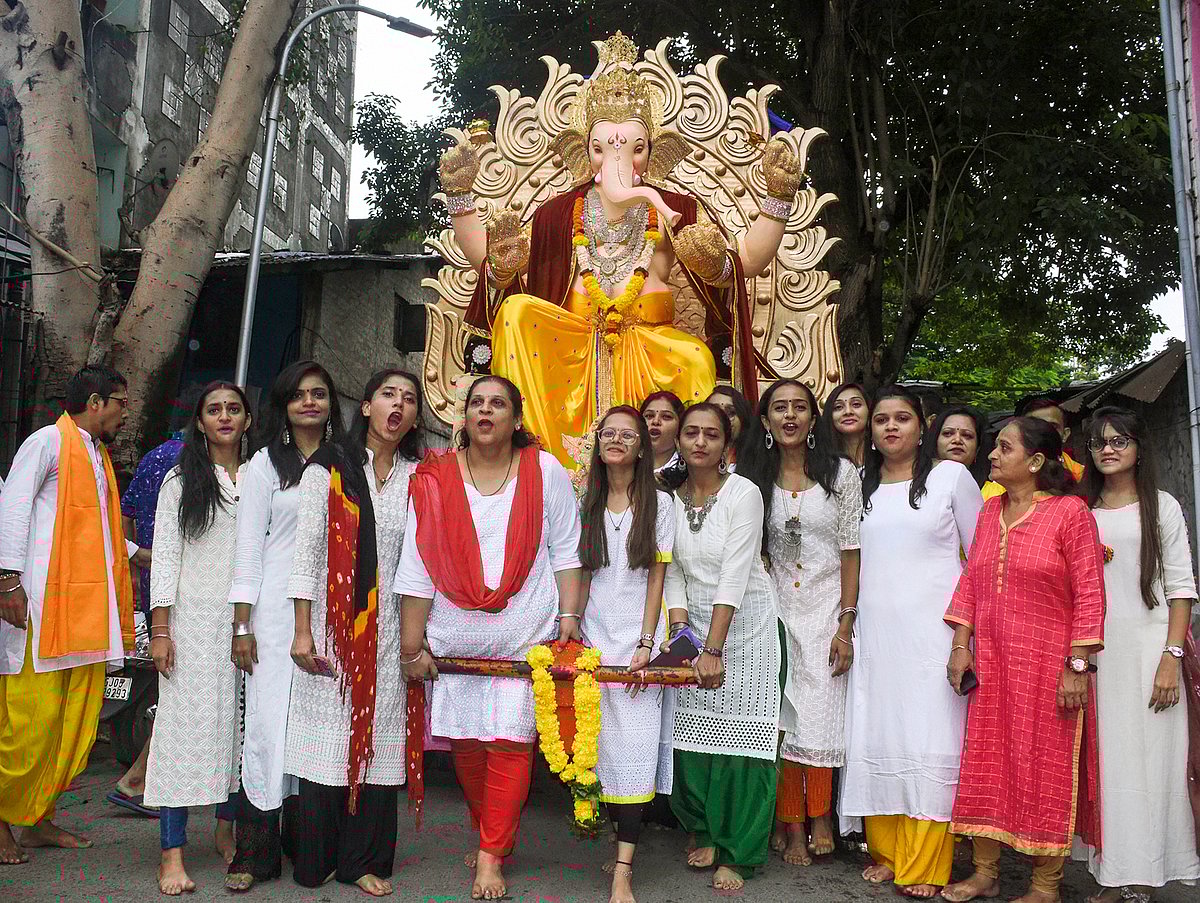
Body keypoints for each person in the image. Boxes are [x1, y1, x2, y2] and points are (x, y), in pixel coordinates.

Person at [439, 33, 798, 463]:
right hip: (572, 341)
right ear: (582, 151)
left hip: (651, 341)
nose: (618, 159)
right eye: (602, 147)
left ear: (654, 153)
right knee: (517, 313)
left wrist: (771, 205)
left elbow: (747, 263)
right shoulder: (559, 212)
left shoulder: (676, 208)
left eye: (635, 148)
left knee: (697, 359)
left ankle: (677, 471)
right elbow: (488, 261)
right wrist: (464, 203)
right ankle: (546, 462)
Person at [397, 375, 583, 901]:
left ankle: (489, 856)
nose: (485, 412)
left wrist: (569, 616)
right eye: (476, 403)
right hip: (455, 637)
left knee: (509, 742)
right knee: (467, 749)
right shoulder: (434, 478)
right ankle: (494, 834)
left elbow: (567, 550)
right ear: (464, 417)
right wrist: (413, 647)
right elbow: (416, 568)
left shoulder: (545, 471)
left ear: (516, 419)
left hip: (522, 633)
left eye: (497, 404)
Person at [943, 416, 1106, 903]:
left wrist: (1077, 666)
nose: (992, 455)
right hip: (991, 665)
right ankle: (985, 873)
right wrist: (960, 646)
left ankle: (1045, 886)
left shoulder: (1070, 513)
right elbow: (971, 582)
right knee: (986, 764)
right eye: (994, 447)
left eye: (1004, 448)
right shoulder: (990, 511)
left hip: (1047, 667)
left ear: (1035, 462)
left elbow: (1090, 594)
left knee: (1045, 768)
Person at [283, 369, 424, 896]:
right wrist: (303, 632)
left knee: (380, 741)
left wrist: (419, 636)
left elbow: (426, 561)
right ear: (365, 406)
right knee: (326, 742)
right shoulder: (330, 467)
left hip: (392, 630)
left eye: (409, 399)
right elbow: (307, 555)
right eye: (389, 394)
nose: (399, 405)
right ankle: (315, 854)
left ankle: (363, 860)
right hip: (334, 627)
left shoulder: (419, 476)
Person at [839, 385, 982, 899]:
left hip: (933, 636)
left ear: (923, 425)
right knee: (880, 732)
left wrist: (965, 635)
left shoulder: (950, 478)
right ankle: (889, 853)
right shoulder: (860, 486)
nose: (891, 427)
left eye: (902, 418)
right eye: (881, 420)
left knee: (928, 740)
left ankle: (925, 862)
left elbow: (981, 561)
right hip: (876, 636)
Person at [0, 365, 137, 864]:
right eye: (121, 402)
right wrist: (8, 581)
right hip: (39, 612)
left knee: (71, 727)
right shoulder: (46, 442)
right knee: (30, 726)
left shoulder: (95, 455)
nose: (126, 412)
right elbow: (12, 509)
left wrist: (135, 552)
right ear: (97, 401)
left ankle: (36, 821)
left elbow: (95, 534)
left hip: (84, 617)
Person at [227, 360, 344, 891]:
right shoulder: (263, 466)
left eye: (319, 394)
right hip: (275, 613)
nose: (310, 403)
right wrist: (242, 625)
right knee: (269, 727)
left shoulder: (348, 461)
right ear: (284, 405)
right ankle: (255, 854)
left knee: (316, 729)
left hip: (334, 611)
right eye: (299, 395)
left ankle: (309, 845)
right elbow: (249, 548)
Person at [1078, 407, 1200, 902]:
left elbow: (1181, 588)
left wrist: (1171, 656)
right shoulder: (1078, 510)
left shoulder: (1161, 506)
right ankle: (1112, 873)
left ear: (1139, 448)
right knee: (1107, 765)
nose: (1109, 449)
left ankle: (1144, 874)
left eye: (1120, 440)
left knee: (1152, 767)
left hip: (1151, 650)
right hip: (1097, 653)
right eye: (1100, 442)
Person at [740, 379, 861, 866]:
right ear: (766, 421)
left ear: (814, 419)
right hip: (774, 611)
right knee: (781, 717)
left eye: (799, 408)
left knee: (821, 716)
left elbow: (852, 552)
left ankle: (821, 818)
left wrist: (846, 624)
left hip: (828, 607)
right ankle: (791, 825)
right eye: (779, 408)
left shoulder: (843, 474)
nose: (789, 416)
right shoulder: (752, 475)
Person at [665, 403, 780, 891]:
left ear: (725, 442)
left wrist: (714, 648)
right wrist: (680, 630)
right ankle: (706, 829)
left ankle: (740, 849)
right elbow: (667, 566)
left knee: (742, 747)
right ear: (679, 440)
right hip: (693, 635)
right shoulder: (669, 496)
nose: (699, 442)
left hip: (747, 631)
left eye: (710, 434)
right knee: (692, 743)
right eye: (690, 432)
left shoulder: (744, 493)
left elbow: (735, 571)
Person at [142, 382, 251, 894]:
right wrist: (160, 631)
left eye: (233, 409)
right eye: (214, 410)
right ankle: (172, 853)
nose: (225, 417)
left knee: (238, 735)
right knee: (180, 739)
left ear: (248, 420)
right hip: (190, 627)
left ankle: (226, 832)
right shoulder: (180, 482)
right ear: (201, 423)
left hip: (247, 630)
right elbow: (164, 559)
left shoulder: (262, 477)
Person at [577, 405, 674, 903]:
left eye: (627, 435)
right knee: (598, 753)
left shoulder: (660, 504)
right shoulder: (587, 500)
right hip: (592, 640)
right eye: (608, 433)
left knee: (634, 753)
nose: (617, 441)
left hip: (639, 643)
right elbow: (579, 575)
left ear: (642, 447)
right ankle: (615, 841)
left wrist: (645, 643)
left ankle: (623, 870)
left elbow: (657, 578)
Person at [109, 433, 184, 816]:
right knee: (181, 688)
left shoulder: (154, 455)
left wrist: (135, 564)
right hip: (186, 585)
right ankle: (138, 778)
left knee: (171, 683)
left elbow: (125, 516)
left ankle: (141, 778)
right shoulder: (195, 462)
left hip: (152, 578)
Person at [982, 398, 1082, 499]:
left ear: (1065, 434)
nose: (1042, 431)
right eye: (1033, 425)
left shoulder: (1083, 478)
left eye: (1052, 426)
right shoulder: (991, 495)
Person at [930, 405, 989, 487]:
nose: (957, 440)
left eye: (967, 435)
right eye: (948, 433)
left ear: (977, 449)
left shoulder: (995, 494)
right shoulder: (915, 487)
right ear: (935, 442)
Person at [822, 382, 871, 470]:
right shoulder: (822, 464)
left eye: (856, 404)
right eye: (838, 407)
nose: (848, 412)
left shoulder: (886, 459)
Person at [706, 386, 754, 471]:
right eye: (715, 412)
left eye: (731, 412)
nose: (723, 419)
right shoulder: (692, 462)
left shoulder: (757, 463)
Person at [640, 391, 684, 476]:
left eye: (666, 417)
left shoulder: (691, 469)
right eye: (649, 416)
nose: (655, 421)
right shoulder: (627, 465)